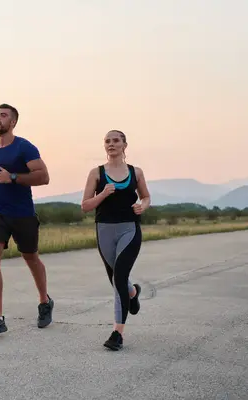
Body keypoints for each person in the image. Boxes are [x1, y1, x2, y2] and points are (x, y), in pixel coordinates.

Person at [0, 103, 54, 337]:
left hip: (23, 213)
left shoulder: (24, 147)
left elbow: (44, 177)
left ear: (13, 122)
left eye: (3, 116)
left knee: (31, 257)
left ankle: (44, 301)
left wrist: (12, 177)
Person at [80, 129, 151, 350]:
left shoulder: (135, 172)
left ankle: (117, 333)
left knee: (119, 277)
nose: (111, 144)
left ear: (124, 145)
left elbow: (146, 197)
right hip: (104, 231)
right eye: (107, 141)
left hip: (129, 230)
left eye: (116, 140)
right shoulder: (97, 173)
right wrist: (102, 194)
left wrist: (143, 206)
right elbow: (85, 206)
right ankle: (132, 292)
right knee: (116, 278)